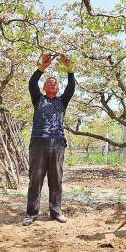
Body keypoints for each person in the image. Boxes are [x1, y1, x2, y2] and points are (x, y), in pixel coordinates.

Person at [22, 53, 75, 226]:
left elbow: (71, 88)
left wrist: (69, 69)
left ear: (58, 88)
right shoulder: (38, 100)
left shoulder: (62, 101)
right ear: (44, 87)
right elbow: (31, 83)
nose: (52, 83)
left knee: (56, 179)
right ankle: (31, 213)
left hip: (57, 143)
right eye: (49, 82)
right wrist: (42, 66)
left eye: (55, 83)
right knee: (35, 179)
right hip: (38, 142)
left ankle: (56, 212)